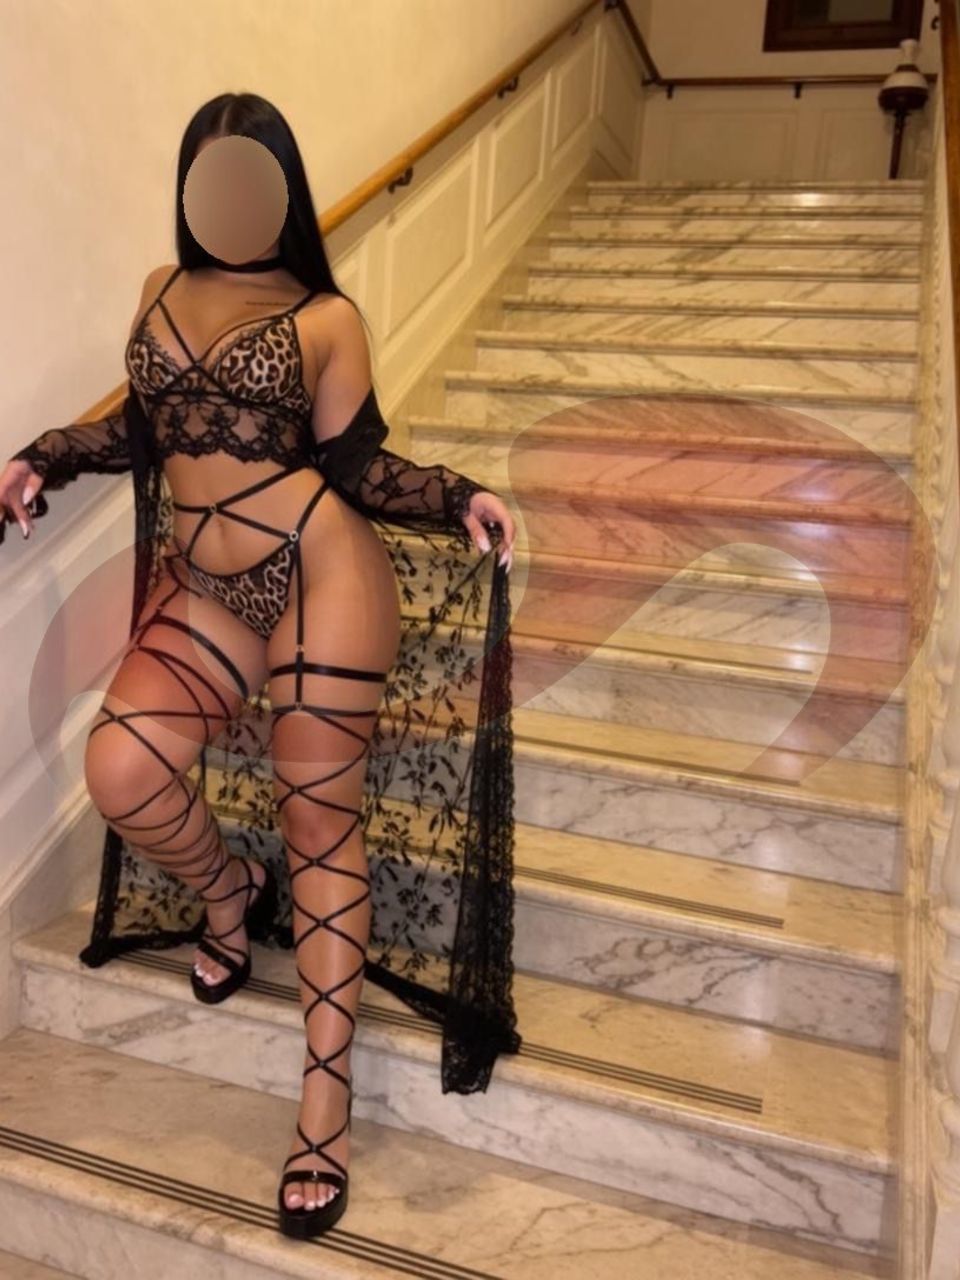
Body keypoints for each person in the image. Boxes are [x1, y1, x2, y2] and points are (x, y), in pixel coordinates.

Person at [0, 92, 519, 1240]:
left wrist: (457, 494)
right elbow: (148, 434)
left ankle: (325, 1103)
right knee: (121, 766)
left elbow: (360, 467)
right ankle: (230, 893)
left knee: (319, 821)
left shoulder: (327, 317)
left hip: (321, 570)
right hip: (210, 586)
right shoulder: (159, 289)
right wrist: (43, 454)